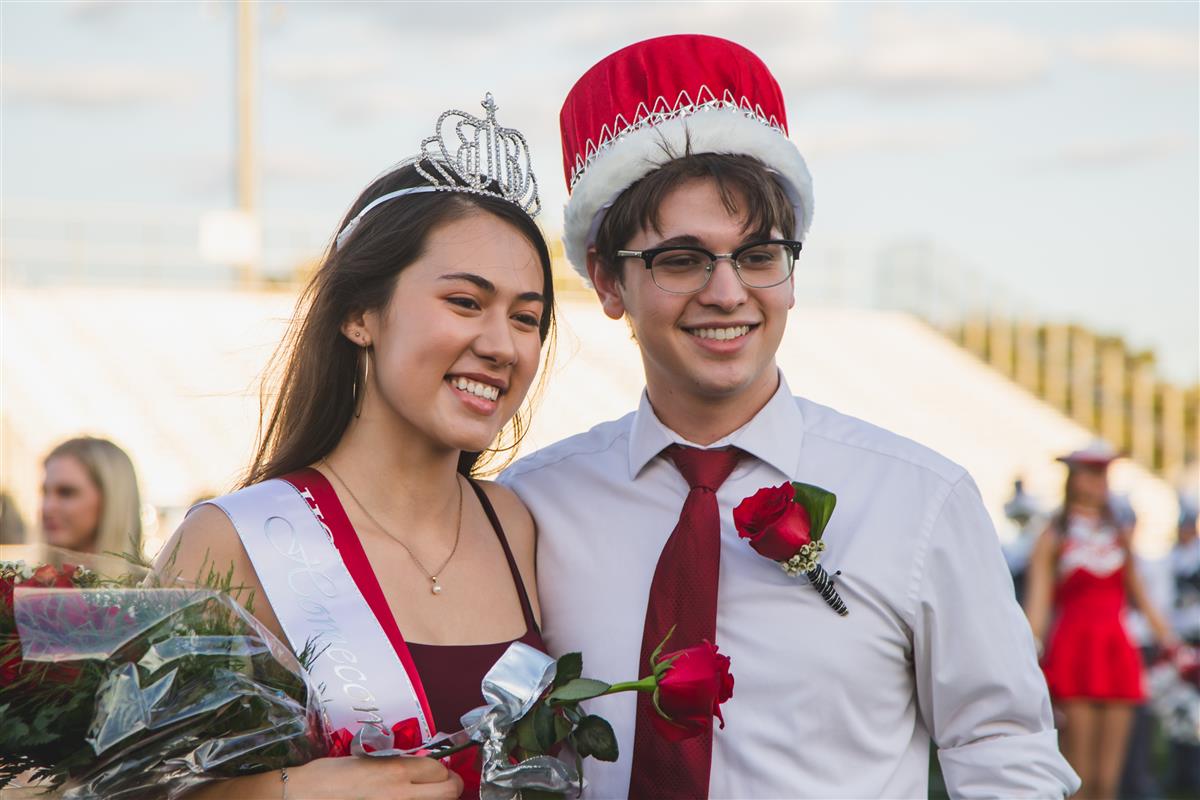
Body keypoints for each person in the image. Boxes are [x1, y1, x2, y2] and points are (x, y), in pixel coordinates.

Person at [500, 34, 1079, 799]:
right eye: (681, 259)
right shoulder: (535, 504)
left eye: (759, 254)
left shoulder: (920, 499)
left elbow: (1004, 750)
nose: (728, 292)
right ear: (608, 281)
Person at [156, 95, 553, 800]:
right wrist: (285, 794)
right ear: (358, 314)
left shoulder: (520, 525)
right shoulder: (235, 540)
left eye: (527, 318)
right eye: (466, 302)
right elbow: (135, 783)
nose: (501, 345)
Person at [1024, 440, 1174, 799]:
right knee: (1079, 776)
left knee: (1109, 780)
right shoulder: (1054, 535)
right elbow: (1039, 603)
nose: (1098, 481)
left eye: (1103, 472)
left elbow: (1141, 597)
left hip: (1116, 649)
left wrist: (1174, 646)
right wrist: (1029, 655)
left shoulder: (1119, 535)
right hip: (1073, 650)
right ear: (1073, 478)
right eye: (1090, 472)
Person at [40, 436, 143, 560]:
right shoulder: (24, 577)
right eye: (45, 492)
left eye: (66, 493)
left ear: (110, 500)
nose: (47, 507)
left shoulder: (160, 579)